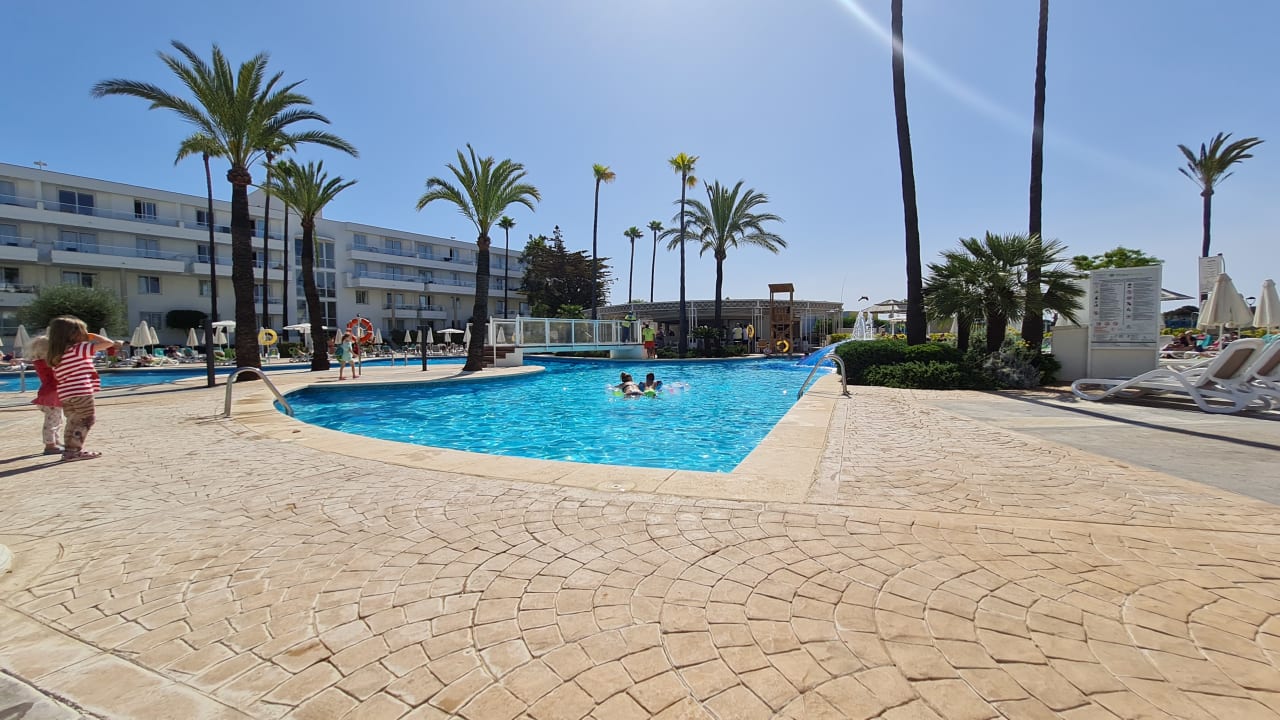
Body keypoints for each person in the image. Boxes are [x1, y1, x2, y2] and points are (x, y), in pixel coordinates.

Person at [46, 316, 122, 462]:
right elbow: (109, 343)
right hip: (81, 391)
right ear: (74, 334)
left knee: (73, 421)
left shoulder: (56, 353)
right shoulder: (78, 349)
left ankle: (69, 452)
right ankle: (75, 451)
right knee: (87, 419)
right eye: (83, 331)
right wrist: (92, 336)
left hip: (66, 393)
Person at [25, 335, 64, 456]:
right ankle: (50, 445)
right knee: (52, 421)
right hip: (52, 395)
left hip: (47, 393)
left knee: (57, 419)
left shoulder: (38, 362)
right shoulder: (49, 363)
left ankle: (55, 440)